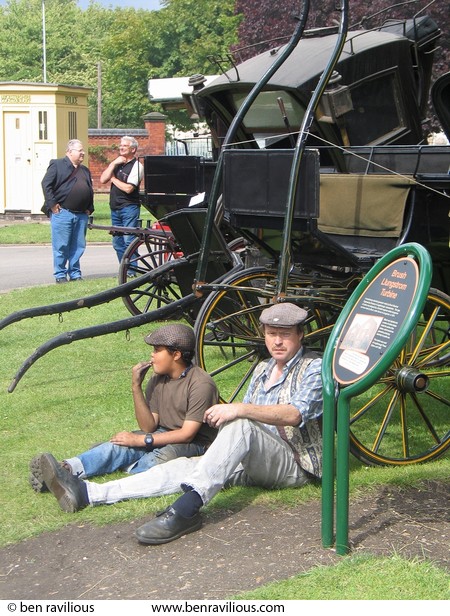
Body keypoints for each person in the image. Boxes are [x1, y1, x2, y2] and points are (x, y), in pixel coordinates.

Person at [38, 303, 323, 547]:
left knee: (240, 423)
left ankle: (187, 510)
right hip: (251, 462)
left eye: (285, 335)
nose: (277, 342)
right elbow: (152, 425)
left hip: (293, 464)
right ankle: (90, 493)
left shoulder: (313, 367)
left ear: (300, 335)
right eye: (272, 335)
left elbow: (295, 414)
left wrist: (238, 409)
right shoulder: (263, 369)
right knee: (179, 467)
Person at [30, 324, 218, 499]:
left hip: (197, 443)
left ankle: (114, 467)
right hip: (162, 433)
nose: (152, 355)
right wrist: (136, 386)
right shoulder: (158, 379)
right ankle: (65, 470)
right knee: (118, 445)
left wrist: (140, 440)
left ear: (176, 355)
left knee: (158, 459)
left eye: (157, 350)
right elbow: (148, 426)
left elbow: (186, 435)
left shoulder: (200, 384)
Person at [41, 139, 94, 283]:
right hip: (63, 213)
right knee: (61, 246)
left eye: (83, 150)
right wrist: (52, 205)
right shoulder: (57, 164)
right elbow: (46, 184)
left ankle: (75, 274)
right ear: (69, 152)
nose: (83, 153)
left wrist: (90, 208)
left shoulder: (84, 170)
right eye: (80, 150)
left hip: (81, 214)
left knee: (78, 246)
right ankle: (60, 275)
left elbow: (90, 189)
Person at [100, 136, 144, 266]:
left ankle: (132, 270)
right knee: (117, 242)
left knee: (129, 241)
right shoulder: (117, 164)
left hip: (129, 207)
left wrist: (113, 179)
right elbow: (103, 179)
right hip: (115, 207)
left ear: (133, 149)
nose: (121, 147)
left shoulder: (137, 166)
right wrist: (113, 163)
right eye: (121, 145)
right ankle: (124, 269)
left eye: (125, 146)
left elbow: (129, 188)